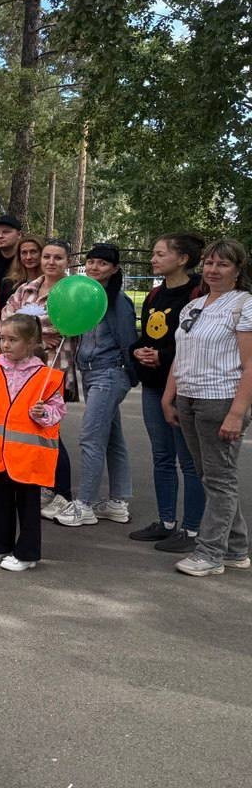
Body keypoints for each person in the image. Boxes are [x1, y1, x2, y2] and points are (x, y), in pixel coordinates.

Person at [164, 238, 252, 577]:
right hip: (189, 397)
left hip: (220, 400)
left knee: (220, 479)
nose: (214, 270)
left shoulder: (243, 305)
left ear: (237, 270)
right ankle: (236, 548)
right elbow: (181, 354)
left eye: (223, 264)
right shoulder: (194, 306)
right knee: (212, 477)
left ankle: (211, 552)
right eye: (210, 263)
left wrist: (237, 413)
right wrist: (169, 395)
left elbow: (249, 364)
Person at [52, 243, 140, 529]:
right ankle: (118, 502)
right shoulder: (85, 297)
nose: (94, 267)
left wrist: (131, 375)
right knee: (113, 438)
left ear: (114, 269)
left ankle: (85, 504)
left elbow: (128, 340)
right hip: (90, 374)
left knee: (90, 438)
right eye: (91, 262)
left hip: (110, 374)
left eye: (102, 263)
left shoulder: (118, 302)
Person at [0, 314, 66, 572]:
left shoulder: (46, 376)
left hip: (27, 454)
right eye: (3, 338)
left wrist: (43, 413)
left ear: (31, 342)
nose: (5, 344)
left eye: (13, 339)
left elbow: (58, 411)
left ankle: (27, 553)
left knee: (27, 506)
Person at [129, 233, 205, 551]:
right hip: (152, 384)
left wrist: (163, 356)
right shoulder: (154, 295)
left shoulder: (199, 294)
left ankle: (191, 530)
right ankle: (166, 522)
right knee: (162, 456)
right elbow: (146, 335)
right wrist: (138, 351)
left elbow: (196, 342)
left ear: (183, 259)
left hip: (183, 388)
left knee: (189, 461)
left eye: (160, 254)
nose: (153, 259)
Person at [1, 239, 77, 516]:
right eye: (47, 257)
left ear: (68, 261)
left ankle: (63, 493)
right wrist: (40, 333)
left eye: (58, 257)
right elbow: (6, 321)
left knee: (51, 431)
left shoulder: (71, 292)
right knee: (30, 426)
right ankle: (42, 484)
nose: (51, 262)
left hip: (55, 370)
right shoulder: (27, 289)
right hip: (22, 371)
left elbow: (67, 327)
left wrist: (30, 331)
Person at [0, 234, 42, 306]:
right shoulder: (9, 283)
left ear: (42, 254)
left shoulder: (49, 282)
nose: (28, 257)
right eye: (24, 253)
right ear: (19, 256)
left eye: (33, 252)